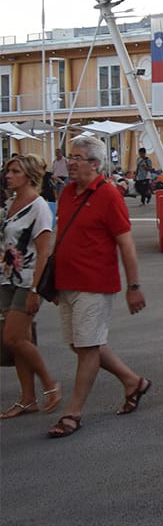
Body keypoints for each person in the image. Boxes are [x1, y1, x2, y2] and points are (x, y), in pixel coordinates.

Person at [44, 134, 148, 439]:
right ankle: (133, 381)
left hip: (95, 283)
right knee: (79, 344)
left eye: (76, 158)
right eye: (70, 157)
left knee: (88, 347)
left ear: (94, 163)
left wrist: (134, 286)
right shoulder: (66, 192)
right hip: (66, 283)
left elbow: (126, 244)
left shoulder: (108, 195)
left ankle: (72, 412)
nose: (69, 163)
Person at [1, 154, 60, 420]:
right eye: (7, 171)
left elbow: (44, 252)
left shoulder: (39, 207)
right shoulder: (10, 204)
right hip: (6, 279)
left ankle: (50, 383)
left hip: (26, 282)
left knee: (12, 338)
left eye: (14, 171)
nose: (8, 175)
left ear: (28, 175)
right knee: (18, 342)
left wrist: (36, 289)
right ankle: (28, 399)